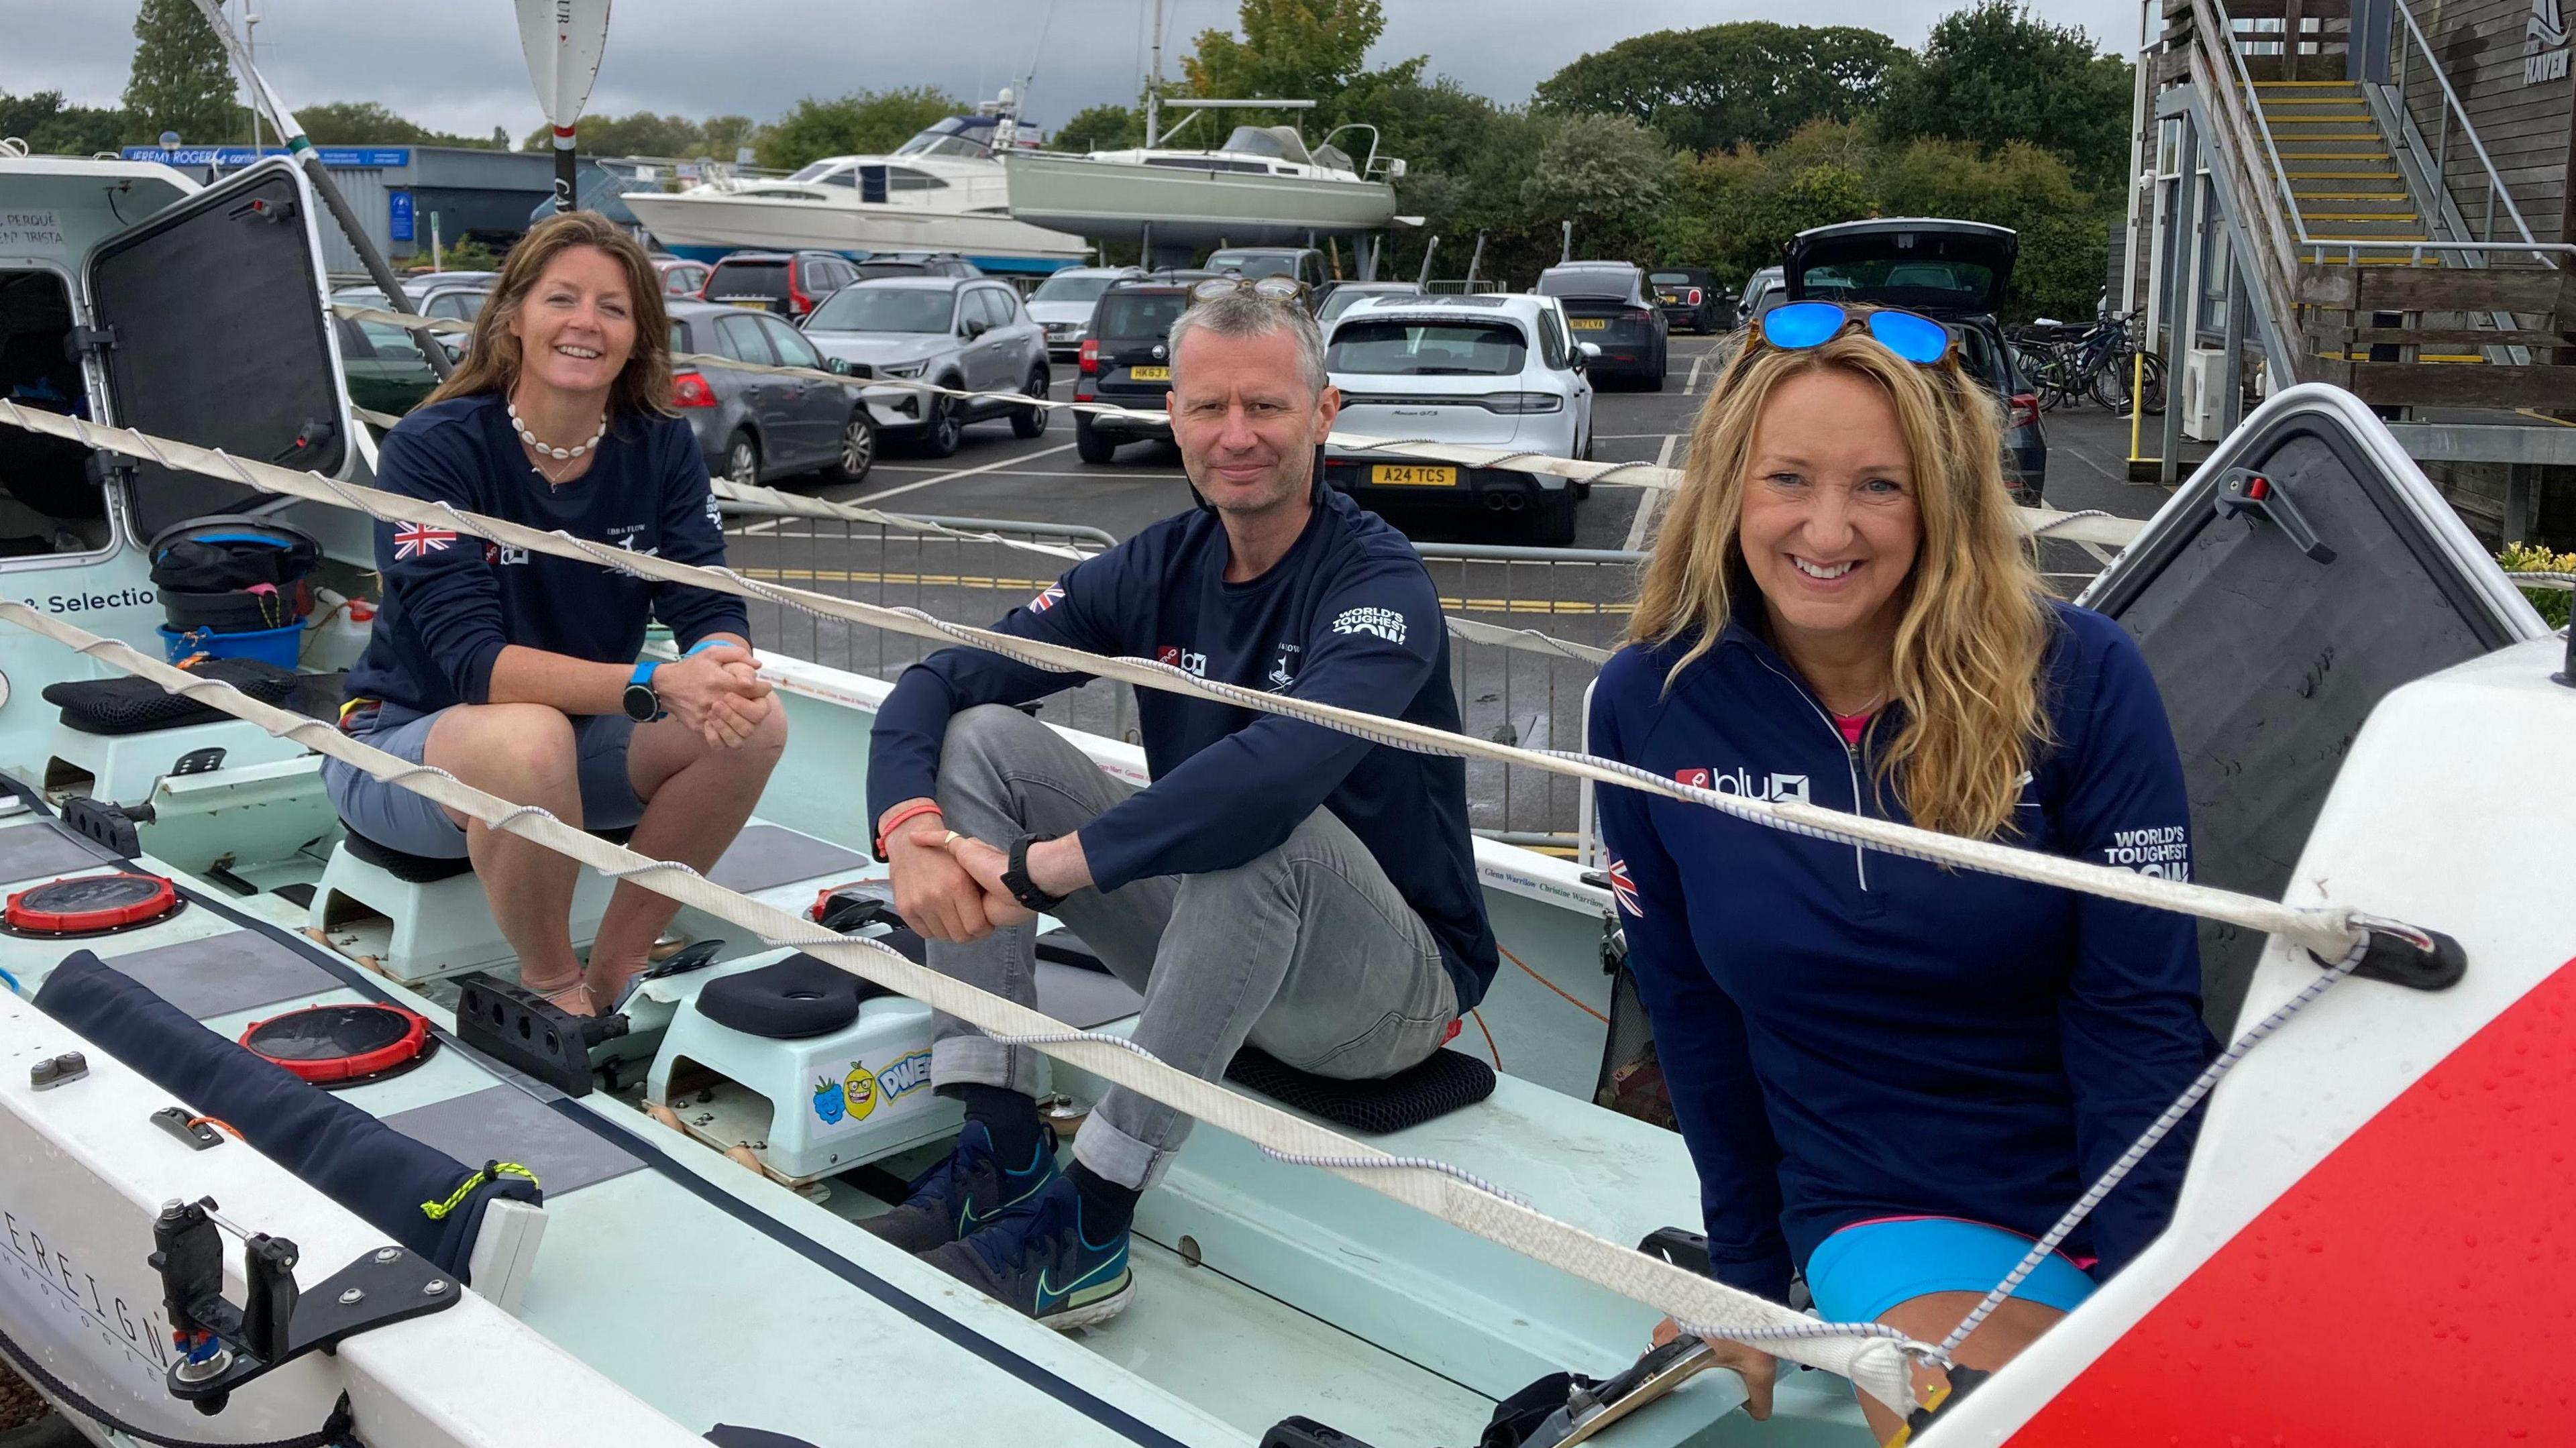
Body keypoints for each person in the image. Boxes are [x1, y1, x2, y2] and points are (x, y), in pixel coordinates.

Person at [1587, 302, 2212, 1439]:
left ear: (1945, 499)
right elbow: (1688, 1011)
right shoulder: (1650, 700)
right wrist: (1744, 1274)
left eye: (1880, 484)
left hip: (2145, 1189)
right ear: (1731, 486)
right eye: (1789, 478)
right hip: (1890, 1206)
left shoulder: (2080, 677)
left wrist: (2150, 1296)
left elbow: (2142, 1016)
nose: (1828, 526)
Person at [861, 289, 1497, 1329]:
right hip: (1227, 946)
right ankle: (1001, 1140)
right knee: (981, 735)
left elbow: (1276, 776)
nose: (1235, 436)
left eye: (1266, 407)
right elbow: (946, 676)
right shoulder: (1162, 562)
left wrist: (1048, 869)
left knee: (1260, 827)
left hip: (1387, 1001)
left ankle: (1095, 1217)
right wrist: (906, 833)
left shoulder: (1379, 579)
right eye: (1207, 408)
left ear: (1324, 412)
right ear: (1175, 418)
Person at [326, 211, 786, 1016]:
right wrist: (658, 681)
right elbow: (472, 662)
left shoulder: (660, 445)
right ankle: (551, 986)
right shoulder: (433, 448)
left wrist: (721, 664)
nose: (586, 323)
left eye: (613, 306)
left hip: (573, 744)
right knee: (527, 734)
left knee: (756, 720)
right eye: (561, 299)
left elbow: (701, 590)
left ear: (638, 334)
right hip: (407, 745)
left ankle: (617, 965)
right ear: (513, 318)